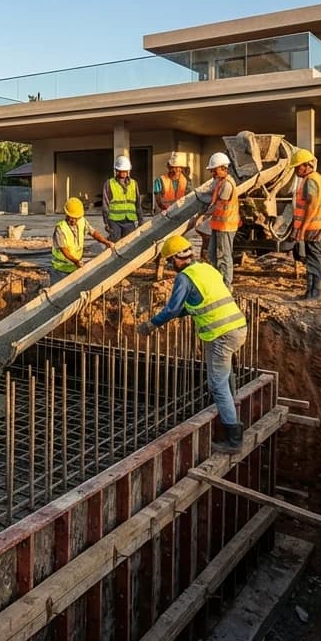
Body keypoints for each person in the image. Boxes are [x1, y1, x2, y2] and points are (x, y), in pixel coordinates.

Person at [139, 235, 248, 452]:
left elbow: (171, 309)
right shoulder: (206, 269)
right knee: (223, 377)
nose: (170, 266)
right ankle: (231, 409)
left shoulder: (185, 278)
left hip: (221, 334)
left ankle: (234, 439)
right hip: (236, 327)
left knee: (217, 385)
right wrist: (182, 313)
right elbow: (199, 302)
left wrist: (151, 324)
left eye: (170, 261)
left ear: (176, 259)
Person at [289, 148, 321, 301]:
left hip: (314, 226)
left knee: (314, 258)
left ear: (306, 165)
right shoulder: (315, 178)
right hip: (315, 225)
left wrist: (303, 228)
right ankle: (311, 291)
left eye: (297, 167)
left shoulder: (311, 180)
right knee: (312, 258)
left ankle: (316, 292)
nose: (295, 170)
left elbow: (312, 206)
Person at [50, 197, 114, 285]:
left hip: (75, 267)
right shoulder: (60, 228)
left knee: (73, 293)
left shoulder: (82, 222)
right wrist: (76, 261)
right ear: (66, 214)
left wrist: (106, 242)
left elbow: (93, 232)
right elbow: (64, 250)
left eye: (76, 217)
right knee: (57, 295)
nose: (73, 220)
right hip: (60, 269)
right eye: (71, 217)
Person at [203, 152, 240, 289]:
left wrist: (203, 216)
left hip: (226, 226)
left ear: (223, 168)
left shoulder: (227, 185)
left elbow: (218, 206)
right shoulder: (220, 182)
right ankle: (217, 281)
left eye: (214, 169)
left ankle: (226, 285)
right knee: (212, 254)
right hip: (218, 225)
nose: (212, 172)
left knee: (224, 256)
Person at [101, 156, 144, 241]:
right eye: (121, 171)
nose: (123, 173)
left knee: (129, 242)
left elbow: (138, 203)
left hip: (129, 220)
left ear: (128, 171)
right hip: (114, 220)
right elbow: (105, 204)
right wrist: (106, 222)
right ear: (116, 170)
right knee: (115, 241)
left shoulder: (134, 184)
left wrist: (140, 219)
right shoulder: (109, 183)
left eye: (125, 171)